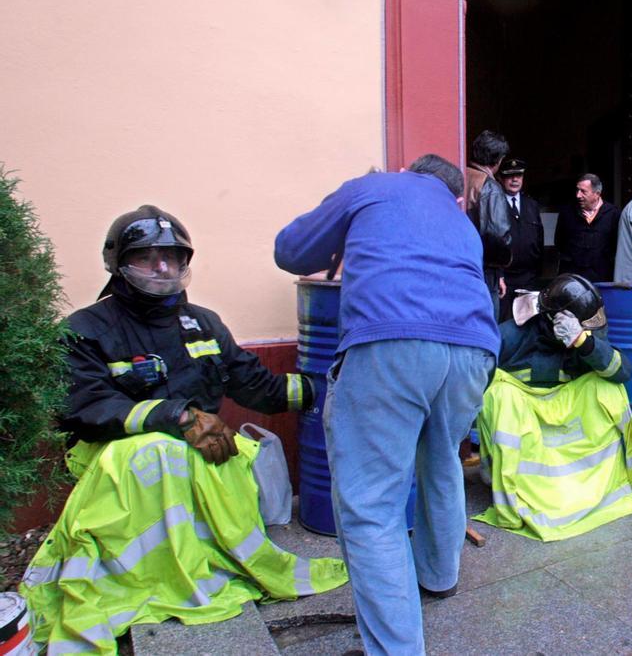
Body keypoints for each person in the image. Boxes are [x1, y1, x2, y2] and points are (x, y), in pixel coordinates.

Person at [21, 206, 347, 654]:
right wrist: (175, 417)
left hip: (204, 454)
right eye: (147, 257)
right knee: (157, 450)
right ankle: (148, 574)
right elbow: (84, 406)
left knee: (226, 453)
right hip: (120, 464)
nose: (161, 268)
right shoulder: (85, 330)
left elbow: (258, 385)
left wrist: (327, 390)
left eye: (172, 258)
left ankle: (208, 558)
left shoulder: (204, 324)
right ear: (118, 264)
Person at [274, 155, 498, 654]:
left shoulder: (372, 188)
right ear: (456, 194)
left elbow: (289, 250)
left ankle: (396, 649)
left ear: (406, 171)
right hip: (474, 353)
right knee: (441, 459)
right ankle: (439, 577)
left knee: (372, 503)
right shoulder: (462, 224)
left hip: (391, 344)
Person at [473, 274, 632, 541]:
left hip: (565, 412)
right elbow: (474, 371)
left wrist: (584, 342)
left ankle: (617, 483)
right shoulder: (514, 333)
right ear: (554, 318)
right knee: (497, 394)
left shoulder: (583, 333)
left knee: (609, 388)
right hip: (527, 414)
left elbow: (622, 371)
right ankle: (506, 486)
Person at [465, 130, 514, 318]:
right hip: (484, 273)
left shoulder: (460, 175)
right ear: (498, 160)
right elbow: (498, 237)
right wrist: (501, 267)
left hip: (463, 266)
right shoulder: (490, 187)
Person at [497, 157, 545, 321]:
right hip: (505, 278)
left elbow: (539, 239)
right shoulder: (496, 203)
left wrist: (537, 272)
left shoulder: (531, 205)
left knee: (529, 324)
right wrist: (499, 274)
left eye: (518, 175)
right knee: (504, 324)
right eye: (510, 176)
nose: (515, 179)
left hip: (528, 278)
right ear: (501, 178)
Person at [555, 173, 619, 283]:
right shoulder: (567, 213)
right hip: (572, 279)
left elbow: (615, 245)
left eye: (583, 191)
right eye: (577, 190)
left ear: (597, 194)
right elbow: (560, 241)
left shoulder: (613, 214)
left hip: (601, 278)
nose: (578, 195)